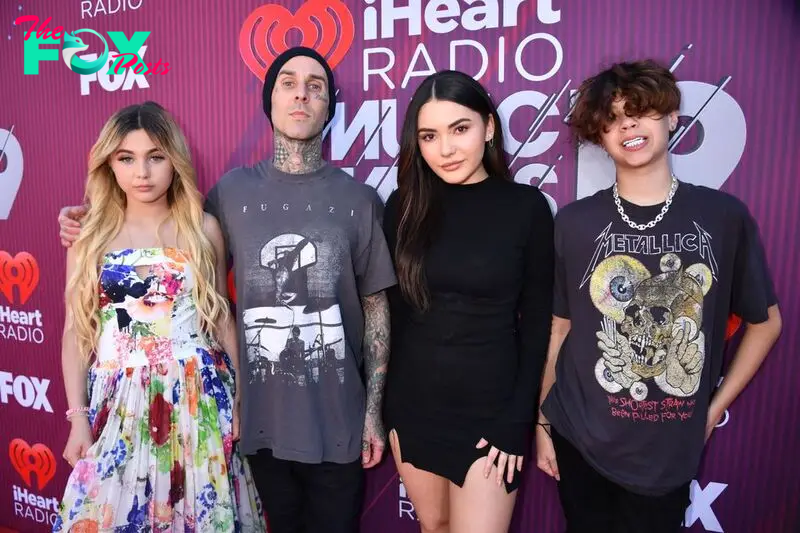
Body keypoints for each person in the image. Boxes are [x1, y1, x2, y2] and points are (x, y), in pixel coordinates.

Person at [58, 47, 397, 533]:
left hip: (295, 419)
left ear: (330, 105)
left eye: (315, 86)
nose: (301, 94)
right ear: (269, 100)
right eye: (287, 82)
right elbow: (86, 320)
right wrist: (85, 219)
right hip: (210, 418)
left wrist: (371, 411)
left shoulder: (357, 201)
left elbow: (372, 306)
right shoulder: (229, 195)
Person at [535, 60, 783, 533]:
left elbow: (765, 322)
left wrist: (711, 411)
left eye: (642, 110)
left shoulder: (722, 216)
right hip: (578, 433)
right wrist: (544, 424)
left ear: (672, 118)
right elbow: (561, 328)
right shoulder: (574, 222)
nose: (628, 124)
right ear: (600, 137)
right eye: (612, 119)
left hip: (668, 448)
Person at [54, 101, 266, 532]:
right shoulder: (89, 237)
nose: (142, 173)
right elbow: (76, 330)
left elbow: (221, 317)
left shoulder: (201, 228)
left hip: (198, 397)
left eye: (155, 156)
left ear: (175, 159)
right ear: (108, 164)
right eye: (126, 158)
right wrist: (78, 418)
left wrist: (243, 396)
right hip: (119, 402)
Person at [381, 70, 555, 533]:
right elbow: (393, 316)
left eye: (460, 129)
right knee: (433, 526)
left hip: (492, 412)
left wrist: (519, 418)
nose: (446, 149)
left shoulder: (527, 208)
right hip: (414, 405)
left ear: (489, 127)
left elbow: (538, 322)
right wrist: (384, 407)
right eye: (429, 135)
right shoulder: (402, 207)